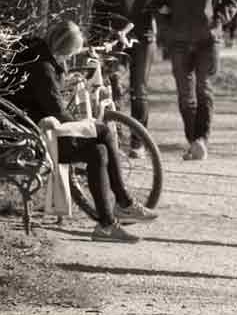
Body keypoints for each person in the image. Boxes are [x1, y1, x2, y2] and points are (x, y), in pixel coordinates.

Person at [7, 21, 157, 242]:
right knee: (103, 133)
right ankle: (123, 205)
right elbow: (57, 113)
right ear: (61, 49)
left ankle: (107, 225)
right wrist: (85, 125)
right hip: (36, 138)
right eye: (69, 54)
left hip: (32, 128)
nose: (68, 59)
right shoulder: (43, 69)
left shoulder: (38, 54)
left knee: (98, 151)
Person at [152, 0, 237, 161]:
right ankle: (193, 140)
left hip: (207, 40)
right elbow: (156, 1)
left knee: (203, 89)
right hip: (179, 40)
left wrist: (217, 20)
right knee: (184, 94)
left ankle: (202, 138)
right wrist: (165, 20)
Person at [91, 0, 160, 157]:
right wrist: (100, 31)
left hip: (143, 35)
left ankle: (138, 142)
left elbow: (157, 4)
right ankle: (115, 138)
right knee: (114, 86)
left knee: (138, 90)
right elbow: (101, 1)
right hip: (115, 36)